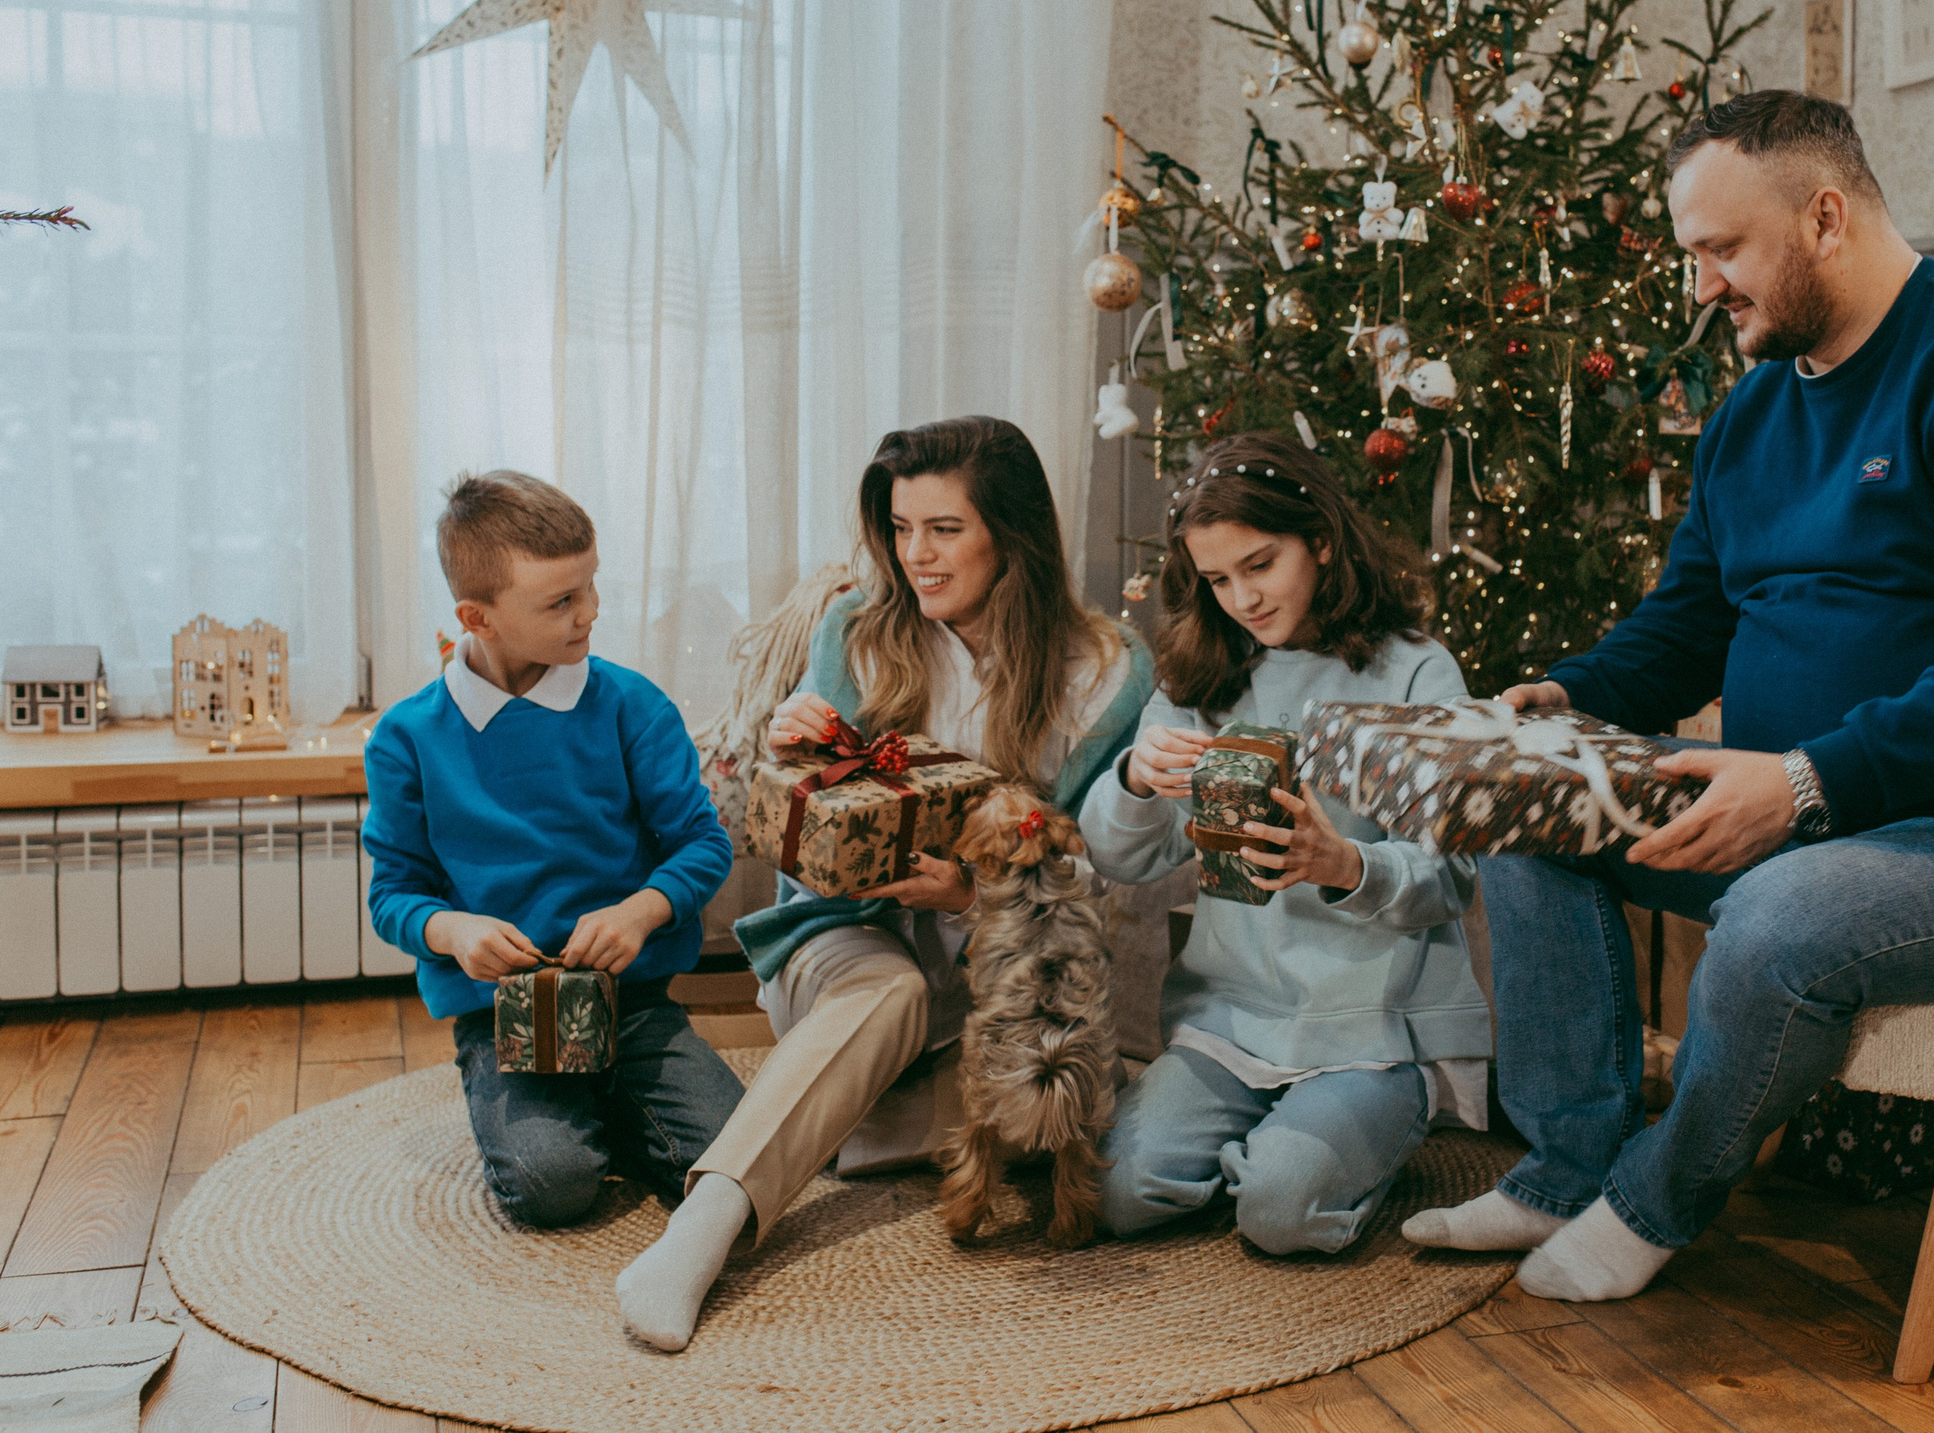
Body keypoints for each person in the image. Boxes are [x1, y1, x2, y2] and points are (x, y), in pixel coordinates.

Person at [1401, 91, 1934, 1302]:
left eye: (1721, 250)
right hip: (1816, 819)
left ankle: (1653, 1200)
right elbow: (1691, 623)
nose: (1700, 287)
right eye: (1692, 256)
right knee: (1529, 808)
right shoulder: (1755, 408)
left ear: (1823, 217)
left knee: (1775, 914)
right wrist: (1565, 696)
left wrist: (1809, 784)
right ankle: (1563, 1169)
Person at [616, 415, 1150, 1349]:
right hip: (841, 949)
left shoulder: (1103, 672)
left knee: (1031, 1116)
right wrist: (793, 753)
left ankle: (851, 1121)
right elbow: (801, 833)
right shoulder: (856, 630)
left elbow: (1091, 857)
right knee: (891, 989)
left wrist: (974, 897)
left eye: (944, 529)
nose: (916, 556)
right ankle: (698, 1235)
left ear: (1011, 534)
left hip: (998, 976)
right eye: (901, 528)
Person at [1079, 431, 1490, 1256]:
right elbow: (1125, 859)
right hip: (1228, 1020)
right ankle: (1277, 1144)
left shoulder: (1417, 672)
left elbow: (1454, 876)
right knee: (1117, 1195)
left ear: (1324, 541)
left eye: (1260, 565)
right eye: (1218, 578)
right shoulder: (1198, 671)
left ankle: (1323, 1142)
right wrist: (1132, 777)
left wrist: (1344, 865)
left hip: (1371, 1027)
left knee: (1279, 1212)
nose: (1242, 599)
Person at [365, 471, 745, 1230]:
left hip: (632, 1003)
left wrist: (643, 909)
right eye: (561, 601)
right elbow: (393, 895)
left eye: (591, 586)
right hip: (505, 1015)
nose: (590, 613)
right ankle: (547, 1105)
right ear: (479, 617)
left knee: (741, 1167)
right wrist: (453, 929)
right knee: (554, 1189)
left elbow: (705, 843)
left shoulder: (632, 705)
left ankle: (616, 1098)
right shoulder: (408, 737)